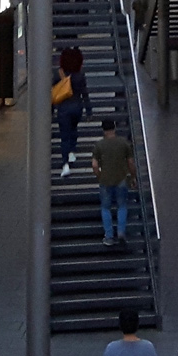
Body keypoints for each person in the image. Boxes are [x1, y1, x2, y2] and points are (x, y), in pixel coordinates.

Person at [93, 118, 135, 247]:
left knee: (106, 208)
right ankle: (121, 232)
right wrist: (133, 177)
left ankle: (109, 236)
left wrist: (99, 176)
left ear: (103, 130)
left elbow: (94, 165)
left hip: (105, 180)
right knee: (122, 206)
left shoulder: (99, 145)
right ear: (114, 128)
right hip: (121, 179)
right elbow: (131, 163)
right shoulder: (123, 143)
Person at [56, 47, 90, 177]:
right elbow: (85, 94)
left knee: (64, 137)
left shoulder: (58, 74)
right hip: (77, 107)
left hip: (63, 109)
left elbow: (54, 92)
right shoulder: (80, 75)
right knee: (74, 129)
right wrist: (89, 110)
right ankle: (72, 151)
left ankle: (65, 165)